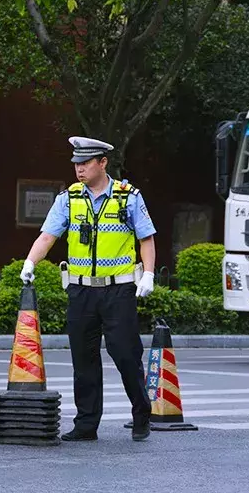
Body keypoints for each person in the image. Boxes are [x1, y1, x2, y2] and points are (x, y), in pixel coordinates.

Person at [20, 136, 156, 442]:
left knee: (125, 354)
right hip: (81, 292)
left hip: (118, 291)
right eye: (76, 164)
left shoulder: (127, 196)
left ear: (102, 162)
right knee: (83, 360)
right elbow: (47, 236)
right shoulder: (68, 199)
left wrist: (147, 274)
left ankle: (141, 413)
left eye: (85, 163)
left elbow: (146, 238)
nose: (79, 170)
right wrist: (30, 262)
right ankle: (86, 424)